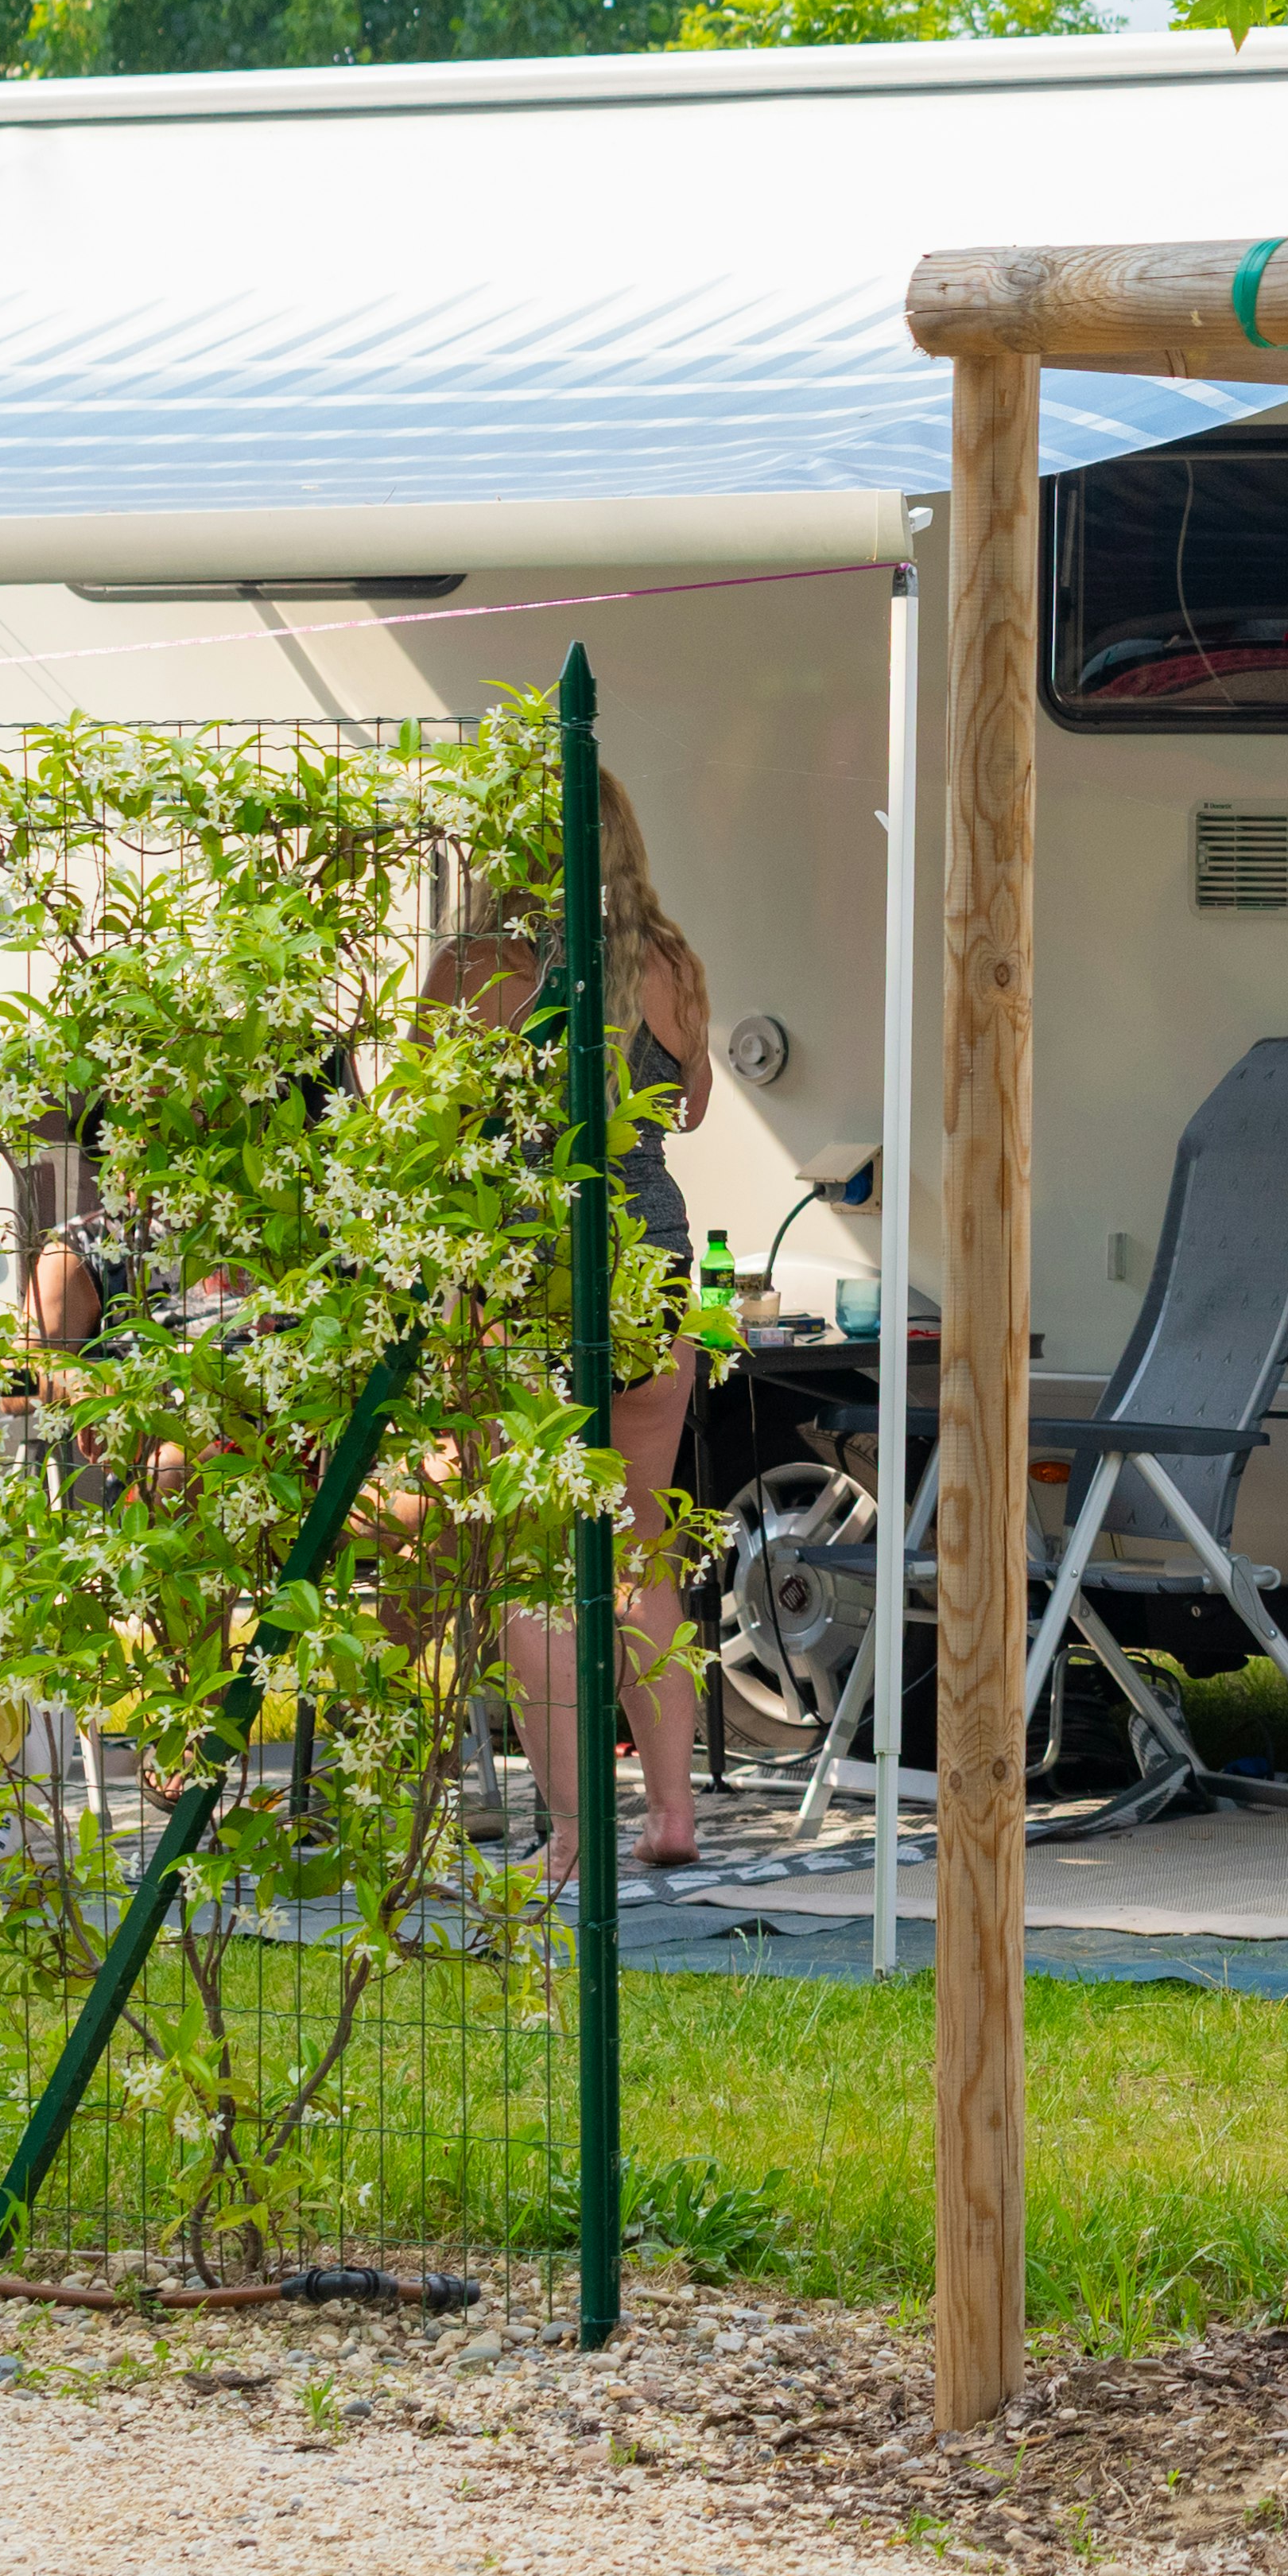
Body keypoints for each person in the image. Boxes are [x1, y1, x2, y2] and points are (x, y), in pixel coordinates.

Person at [433, 774, 721, 1888]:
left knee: (535, 1561)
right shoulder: (667, 962)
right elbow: (689, 1107)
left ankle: (569, 1830)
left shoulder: (474, 968)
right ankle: (673, 1811)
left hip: (527, 1276)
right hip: (650, 1266)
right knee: (639, 1545)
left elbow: (428, 1118)